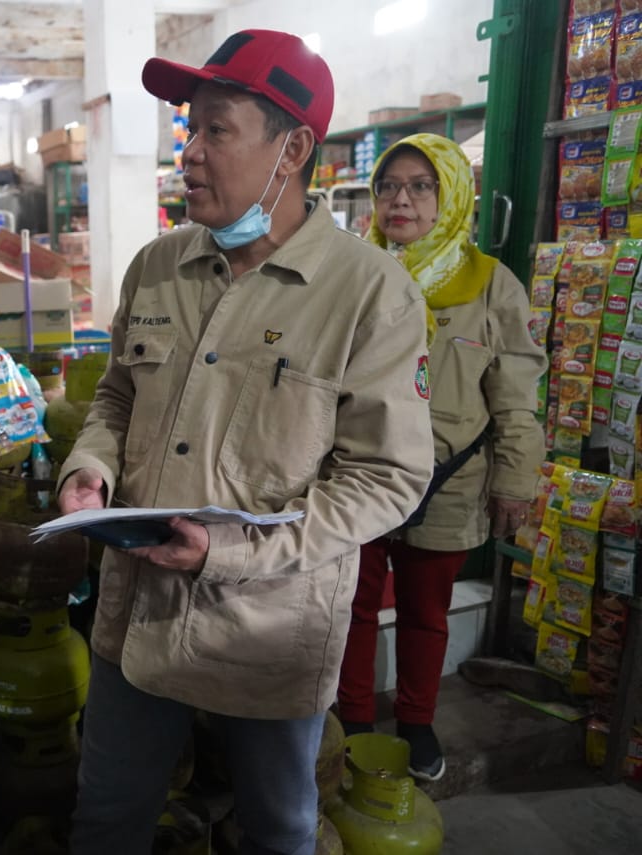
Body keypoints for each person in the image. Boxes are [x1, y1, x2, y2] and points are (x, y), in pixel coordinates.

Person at [56, 30, 436, 855]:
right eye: (187, 130)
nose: (189, 154)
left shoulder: (371, 294)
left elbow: (387, 477)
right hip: (140, 618)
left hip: (270, 627)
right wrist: (90, 465)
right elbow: (118, 396)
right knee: (109, 818)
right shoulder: (157, 268)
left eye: (215, 130)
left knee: (277, 829)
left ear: (292, 148)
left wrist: (231, 554)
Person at [336, 134, 547, 781]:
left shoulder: (491, 287)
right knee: (351, 606)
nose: (401, 199)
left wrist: (514, 479)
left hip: (448, 482)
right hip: (357, 475)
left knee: (427, 613)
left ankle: (418, 724)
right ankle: (350, 722)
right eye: (389, 186)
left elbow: (514, 396)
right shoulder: (350, 272)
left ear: (451, 195)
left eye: (420, 186)